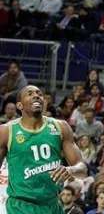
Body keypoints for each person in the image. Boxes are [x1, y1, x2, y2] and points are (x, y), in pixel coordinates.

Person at [0, 85, 86, 214]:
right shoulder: (7, 131)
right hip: (20, 206)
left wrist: (70, 169)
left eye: (39, 94)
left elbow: (83, 169)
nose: (36, 96)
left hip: (52, 205)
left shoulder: (61, 127)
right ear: (19, 105)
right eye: (30, 94)